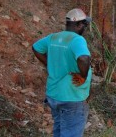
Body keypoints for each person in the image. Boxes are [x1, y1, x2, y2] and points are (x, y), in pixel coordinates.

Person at [32, 8, 92, 137]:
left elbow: (36, 47)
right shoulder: (77, 40)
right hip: (71, 97)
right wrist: (83, 76)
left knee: (59, 130)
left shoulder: (53, 37)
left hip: (54, 95)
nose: (85, 28)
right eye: (85, 25)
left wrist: (48, 63)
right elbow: (83, 58)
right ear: (79, 25)